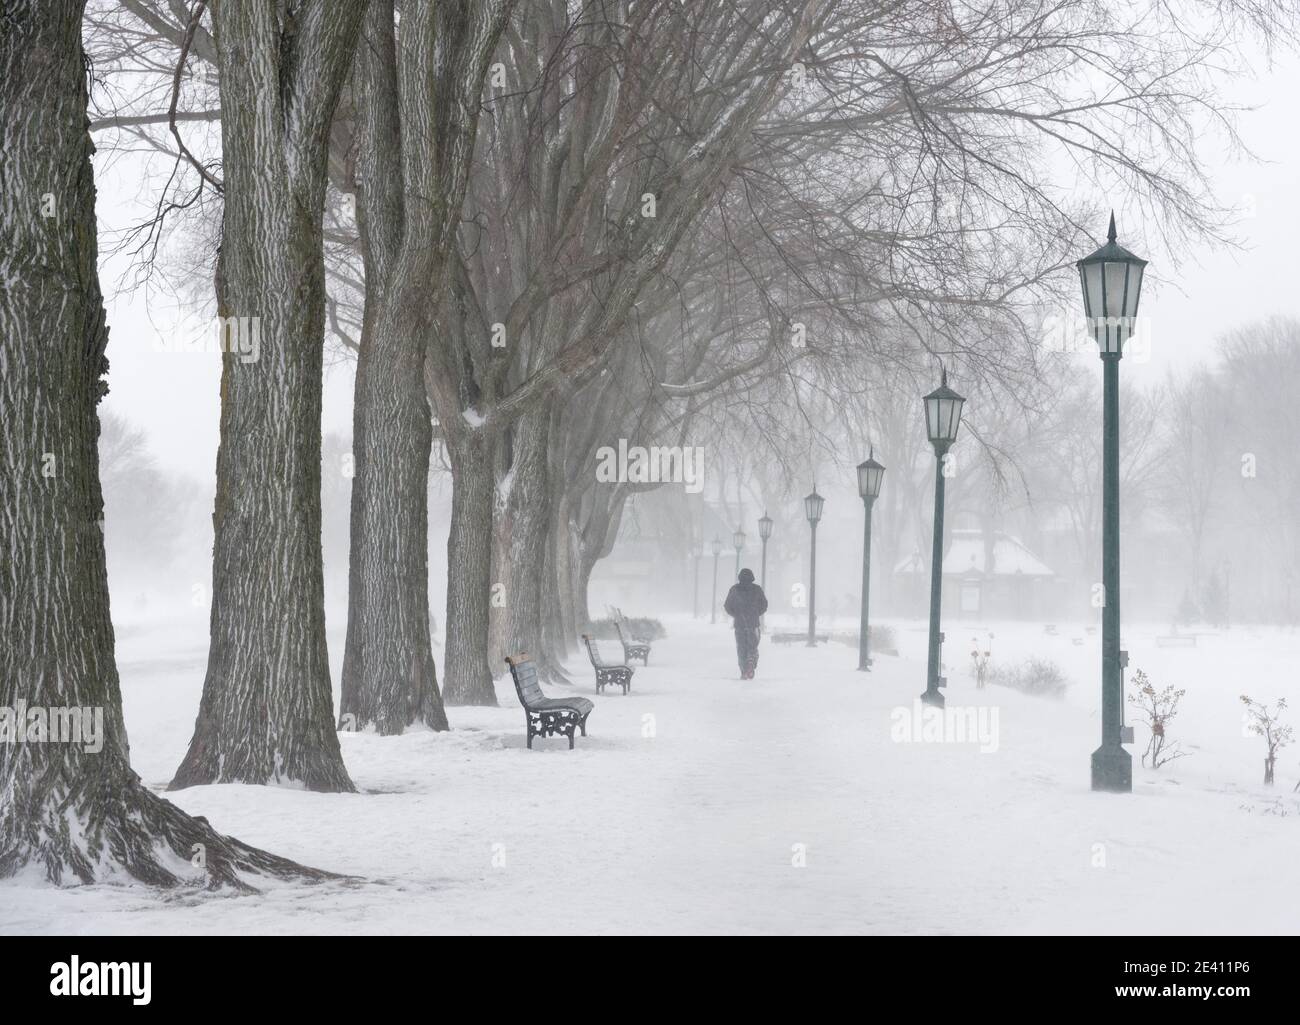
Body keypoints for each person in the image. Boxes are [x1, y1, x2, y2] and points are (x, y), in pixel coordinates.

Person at [723, 568, 768, 679]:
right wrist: (756, 613)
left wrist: (736, 614)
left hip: (739, 625)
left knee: (741, 648)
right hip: (753, 624)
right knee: (753, 646)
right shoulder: (757, 589)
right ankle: (751, 661)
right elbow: (764, 604)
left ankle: (743, 670)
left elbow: (727, 606)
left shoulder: (734, 589)